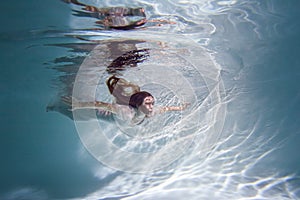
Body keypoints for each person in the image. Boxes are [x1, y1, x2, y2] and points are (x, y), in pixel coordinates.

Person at [62, 75, 189, 125]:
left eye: (152, 103)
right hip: (106, 115)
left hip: (118, 120)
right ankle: (63, 100)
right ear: (138, 105)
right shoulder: (125, 111)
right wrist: (79, 104)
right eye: (148, 103)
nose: (152, 106)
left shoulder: (151, 111)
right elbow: (100, 104)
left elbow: (167, 109)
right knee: (79, 116)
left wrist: (181, 108)